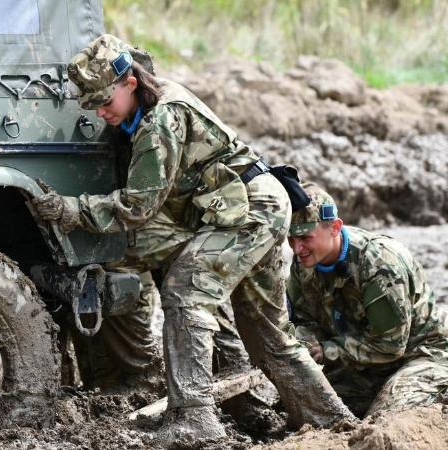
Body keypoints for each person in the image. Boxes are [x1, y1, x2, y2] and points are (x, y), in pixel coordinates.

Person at [32, 34, 354, 445]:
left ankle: (195, 417)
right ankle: (335, 424)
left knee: (186, 290)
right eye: (92, 104)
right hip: (252, 207)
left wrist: (71, 210)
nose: (100, 112)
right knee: (268, 332)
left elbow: (137, 207)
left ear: (130, 82)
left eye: (104, 101)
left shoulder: (161, 119)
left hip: (248, 211)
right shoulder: (146, 108)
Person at [287, 183, 448, 417]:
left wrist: (328, 350)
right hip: (364, 362)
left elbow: (390, 346)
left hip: (421, 354)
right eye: (291, 238)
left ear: (335, 227)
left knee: (388, 416)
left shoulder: (380, 264)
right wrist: (307, 341)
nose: (297, 248)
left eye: (304, 237)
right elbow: (304, 319)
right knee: (304, 406)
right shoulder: (303, 264)